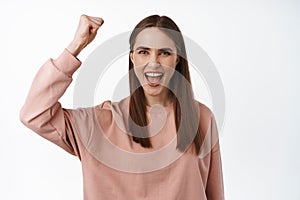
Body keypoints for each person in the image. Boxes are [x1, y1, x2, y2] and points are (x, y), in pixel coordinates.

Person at [20, 14, 224, 200]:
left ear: (177, 59)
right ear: (132, 57)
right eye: (144, 52)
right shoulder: (100, 122)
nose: (153, 63)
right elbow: (34, 113)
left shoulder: (201, 118)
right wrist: (76, 45)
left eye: (164, 53)